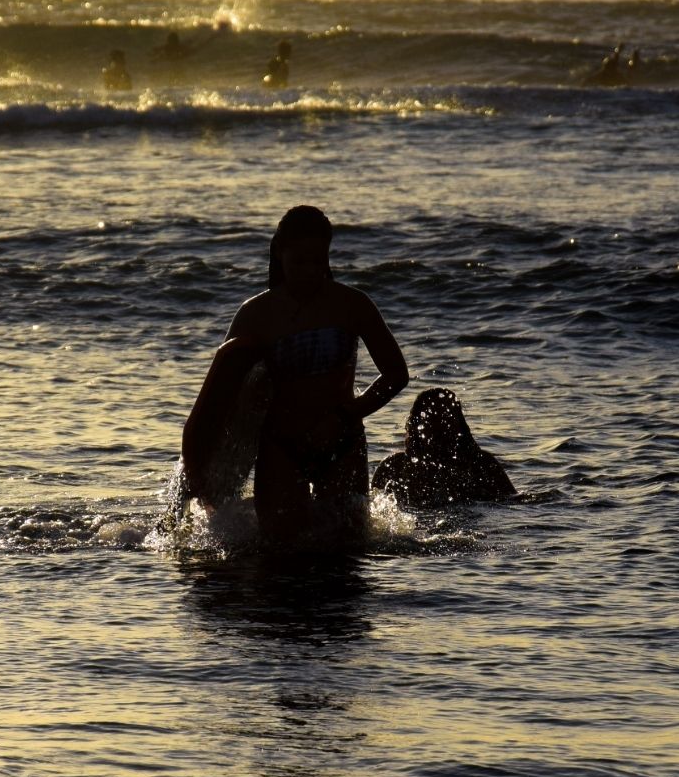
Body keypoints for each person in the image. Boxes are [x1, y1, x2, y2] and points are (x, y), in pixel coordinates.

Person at [215, 206, 408, 549]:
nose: (309, 271)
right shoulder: (255, 314)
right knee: (279, 557)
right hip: (280, 446)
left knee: (349, 555)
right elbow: (225, 392)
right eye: (298, 261)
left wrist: (345, 416)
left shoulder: (352, 304)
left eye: (317, 261)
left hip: (342, 441)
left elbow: (396, 374)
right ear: (279, 252)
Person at [372, 389, 516, 509]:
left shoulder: (482, 464)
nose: (440, 426)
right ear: (416, 426)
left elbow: (512, 502)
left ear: (459, 424)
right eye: (433, 419)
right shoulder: (393, 467)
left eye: (446, 419)